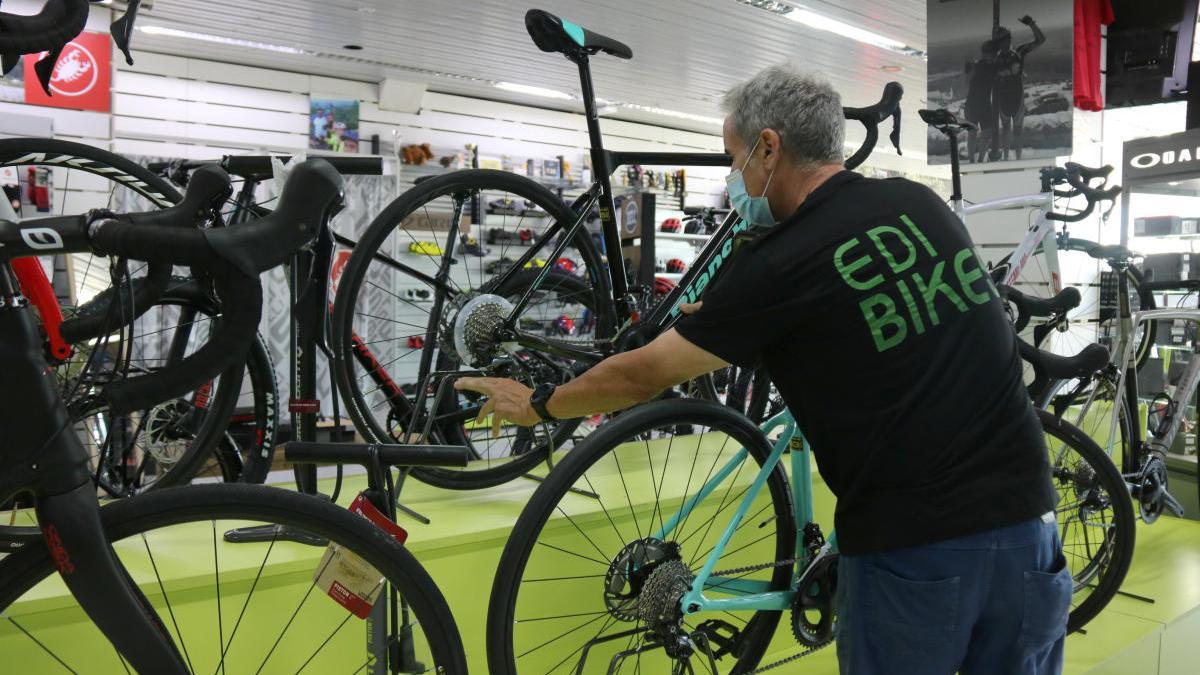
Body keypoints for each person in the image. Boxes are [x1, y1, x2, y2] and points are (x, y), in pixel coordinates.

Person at [456, 64, 1070, 675]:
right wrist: (740, 318)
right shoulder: (919, 204)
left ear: (769, 147)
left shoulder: (781, 262)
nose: (734, 178)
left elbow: (640, 375)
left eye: (734, 157)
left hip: (916, 554)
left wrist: (538, 402)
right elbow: (877, 314)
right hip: (1031, 531)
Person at [993, 15, 1045, 160]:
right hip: (1004, 96)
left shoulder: (1019, 51)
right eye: (1000, 42)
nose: (1003, 44)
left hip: (1016, 95)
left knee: (1016, 130)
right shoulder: (995, 57)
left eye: (1004, 40)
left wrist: (1032, 24)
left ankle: (1018, 157)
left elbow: (1040, 40)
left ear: (1009, 40)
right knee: (1006, 130)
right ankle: (1005, 158)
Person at [963, 38, 998, 163]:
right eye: (986, 52)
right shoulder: (977, 66)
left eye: (990, 52)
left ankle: (979, 160)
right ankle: (973, 160)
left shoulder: (993, 67)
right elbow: (967, 81)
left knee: (986, 135)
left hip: (983, 105)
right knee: (972, 134)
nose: (988, 55)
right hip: (973, 105)